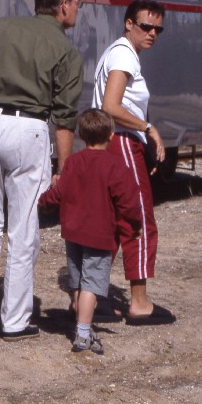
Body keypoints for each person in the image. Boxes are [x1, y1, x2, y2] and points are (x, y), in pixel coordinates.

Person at [0, 0, 85, 340]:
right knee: (23, 228)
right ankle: (13, 320)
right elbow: (63, 117)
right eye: (78, 3)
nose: (78, 9)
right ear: (63, 6)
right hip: (28, 129)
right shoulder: (65, 50)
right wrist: (62, 168)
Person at [91, 0, 173, 324]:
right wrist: (148, 129)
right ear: (129, 24)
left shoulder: (120, 52)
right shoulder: (124, 53)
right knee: (139, 218)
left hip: (111, 144)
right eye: (146, 26)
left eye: (158, 29)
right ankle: (139, 302)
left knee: (110, 224)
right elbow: (111, 106)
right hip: (121, 142)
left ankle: (92, 296)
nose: (152, 33)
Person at [38, 107, 142, 354]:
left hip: (73, 232)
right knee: (92, 285)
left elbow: (58, 193)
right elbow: (128, 201)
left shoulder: (73, 162)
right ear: (111, 134)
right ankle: (83, 335)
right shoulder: (114, 165)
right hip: (99, 235)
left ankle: (80, 322)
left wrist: (43, 202)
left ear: (82, 136)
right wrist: (135, 225)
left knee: (77, 280)